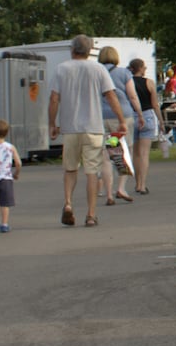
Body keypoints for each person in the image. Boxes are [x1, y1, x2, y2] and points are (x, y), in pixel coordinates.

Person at [49, 34, 128, 227]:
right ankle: (91, 214)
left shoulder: (61, 69)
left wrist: (52, 123)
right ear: (89, 50)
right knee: (92, 172)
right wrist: (121, 120)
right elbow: (111, 96)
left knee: (70, 169)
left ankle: (68, 203)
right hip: (93, 128)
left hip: (70, 128)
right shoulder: (98, 69)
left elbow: (54, 99)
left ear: (72, 50)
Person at [97, 46, 138, 204]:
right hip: (122, 117)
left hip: (101, 117)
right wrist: (139, 113)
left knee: (106, 156)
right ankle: (121, 188)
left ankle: (108, 193)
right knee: (123, 152)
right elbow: (132, 96)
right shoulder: (124, 73)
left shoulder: (97, 72)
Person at [127, 57, 161, 195]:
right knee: (144, 153)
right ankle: (142, 184)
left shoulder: (128, 82)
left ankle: (136, 183)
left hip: (132, 115)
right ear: (140, 68)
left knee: (135, 153)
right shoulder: (150, 83)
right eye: (144, 67)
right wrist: (161, 121)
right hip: (146, 115)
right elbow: (154, 104)